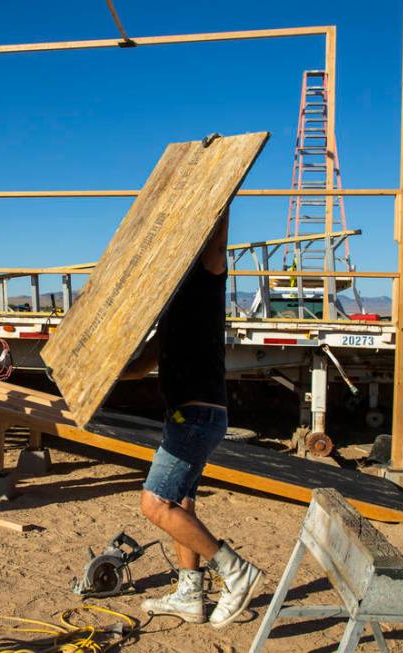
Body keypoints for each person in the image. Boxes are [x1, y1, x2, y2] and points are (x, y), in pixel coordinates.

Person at [121, 210, 263, 628]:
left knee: (155, 503)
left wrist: (220, 187)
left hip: (198, 414)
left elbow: (217, 244)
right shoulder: (169, 307)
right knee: (182, 502)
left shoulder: (204, 278)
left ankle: (236, 572)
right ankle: (190, 594)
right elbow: (143, 364)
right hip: (185, 414)